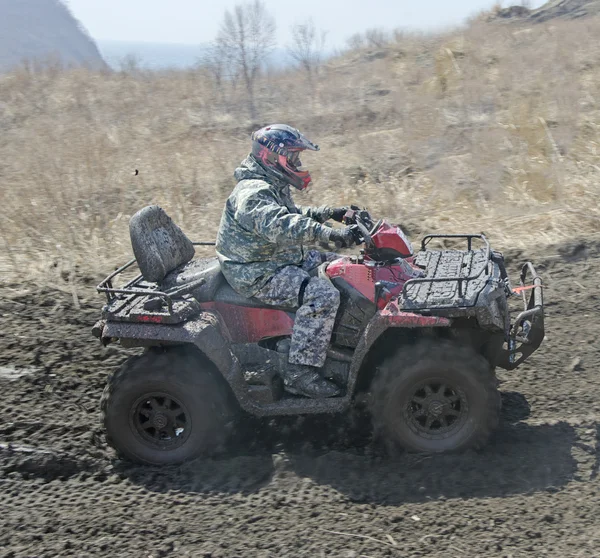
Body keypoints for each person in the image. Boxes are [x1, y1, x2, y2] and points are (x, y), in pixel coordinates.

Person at [215, 124, 357, 398]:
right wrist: (328, 234)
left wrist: (329, 213)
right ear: (273, 156)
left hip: (277, 256)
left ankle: (336, 343)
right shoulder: (253, 193)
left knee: (346, 268)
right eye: (293, 157)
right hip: (258, 271)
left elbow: (292, 213)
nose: (298, 163)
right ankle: (300, 375)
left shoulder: (270, 182)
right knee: (321, 295)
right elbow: (282, 224)